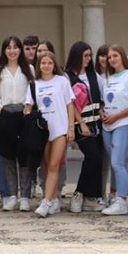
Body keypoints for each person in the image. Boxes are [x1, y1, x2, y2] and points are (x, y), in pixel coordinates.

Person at [26, 52, 80, 218]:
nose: (46, 66)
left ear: (54, 64)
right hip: (43, 131)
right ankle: (53, 198)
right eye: (43, 63)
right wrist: (28, 113)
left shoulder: (62, 81)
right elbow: (28, 106)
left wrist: (71, 127)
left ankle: (46, 201)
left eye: (49, 63)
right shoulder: (34, 84)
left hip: (60, 129)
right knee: (47, 165)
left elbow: (69, 105)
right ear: (39, 65)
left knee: (54, 165)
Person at [100, 45, 128, 217]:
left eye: (115, 56)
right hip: (107, 125)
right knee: (116, 163)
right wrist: (102, 111)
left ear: (122, 56)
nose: (112, 59)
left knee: (118, 163)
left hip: (123, 124)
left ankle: (121, 200)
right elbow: (105, 101)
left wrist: (117, 117)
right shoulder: (108, 78)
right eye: (109, 57)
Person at [0, 36, 33, 211]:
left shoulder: (28, 69)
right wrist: (1, 110)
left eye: (15, 47)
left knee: (24, 158)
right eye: (8, 47)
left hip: (24, 115)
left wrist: (29, 108)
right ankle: (12, 196)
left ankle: (25, 196)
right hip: (6, 115)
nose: (12, 50)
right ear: (4, 51)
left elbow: (33, 91)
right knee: (8, 157)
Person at [64, 42, 105, 213]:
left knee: (97, 159)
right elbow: (70, 103)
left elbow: (101, 98)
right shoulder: (67, 77)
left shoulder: (94, 76)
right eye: (85, 56)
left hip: (96, 122)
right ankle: (78, 193)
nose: (88, 59)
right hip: (80, 124)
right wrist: (80, 123)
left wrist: (102, 111)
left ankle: (91, 197)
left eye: (90, 56)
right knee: (93, 157)